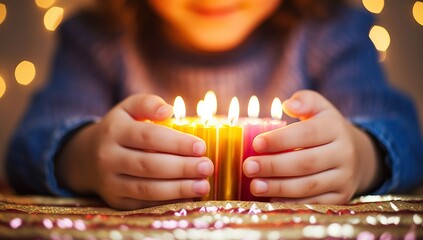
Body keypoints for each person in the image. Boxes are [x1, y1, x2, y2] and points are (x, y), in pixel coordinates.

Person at [6, 0, 423, 210]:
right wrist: (84, 157)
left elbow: (405, 137)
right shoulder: (95, 39)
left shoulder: (332, 32)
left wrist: (361, 156)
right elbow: (25, 152)